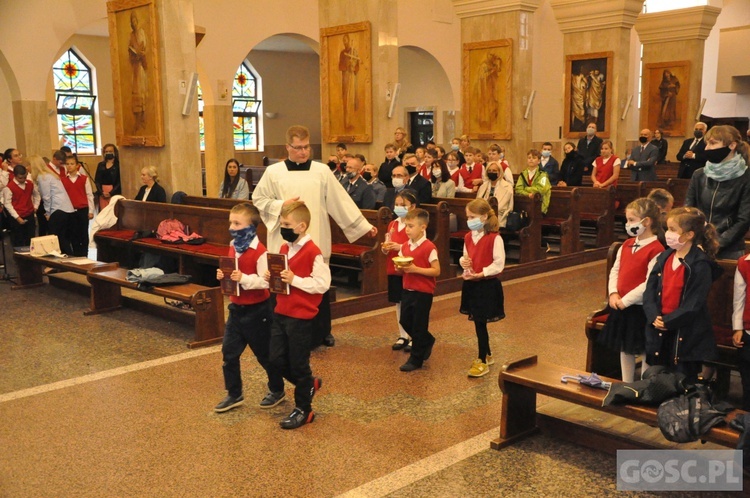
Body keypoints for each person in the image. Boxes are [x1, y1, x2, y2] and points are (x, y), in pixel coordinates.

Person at [252, 125, 377, 349]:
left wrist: (363, 226)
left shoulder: (322, 171)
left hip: (315, 238)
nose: (303, 152)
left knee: (318, 283)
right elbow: (259, 200)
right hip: (284, 241)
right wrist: (282, 205)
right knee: (284, 283)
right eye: (298, 148)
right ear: (287, 147)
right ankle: (281, 328)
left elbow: (340, 201)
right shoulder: (274, 172)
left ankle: (322, 332)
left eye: (306, 147)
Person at [213, 203, 284, 414]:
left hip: (257, 311)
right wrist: (223, 275)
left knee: (265, 355)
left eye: (237, 223)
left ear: (251, 226)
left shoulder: (260, 252)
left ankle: (277, 390)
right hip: (236, 308)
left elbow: (265, 281)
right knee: (229, 352)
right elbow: (232, 271)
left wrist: (243, 278)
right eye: (231, 223)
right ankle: (234, 393)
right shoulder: (233, 245)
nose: (232, 227)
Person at [263, 201, 328, 429]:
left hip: (301, 316)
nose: (283, 228)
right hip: (281, 311)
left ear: (301, 226)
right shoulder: (284, 248)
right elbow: (283, 277)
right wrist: (272, 279)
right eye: (281, 224)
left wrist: (296, 280)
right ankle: (309, 384)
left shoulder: (313, 252)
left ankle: (304, 410)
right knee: (275, 360)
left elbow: (322, 284)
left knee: (299, 364)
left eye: (286, 224)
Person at [643, 207, 721, 381]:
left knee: (681, 381)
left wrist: (668, 321)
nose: (667, 234)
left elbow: (694, 304)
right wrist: (653, 315)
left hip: (685, 332)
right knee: (658, 379)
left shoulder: (700, 265)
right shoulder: (665, 257)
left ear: (689, 235)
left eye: (672, 230)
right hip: (660, 326)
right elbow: (650, 290)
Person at [599, 198, 664, 383]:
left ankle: (644, 385)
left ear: (647, 222)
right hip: (621, 305)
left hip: (640, 308)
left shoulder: (656, 249)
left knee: (644, 348)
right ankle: (626, 383)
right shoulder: (626, 244)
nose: (628, 224)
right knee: (625, 347)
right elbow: (615, 270)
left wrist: (625, 300)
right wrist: (613, 293)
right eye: (627, 220)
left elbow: (649, 282)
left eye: (632, 220)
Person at [685, 124, 750, 260]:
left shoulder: (746, 177)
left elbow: (744, 220)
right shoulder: (699, 175)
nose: (707, 148)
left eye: (713, 143)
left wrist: (715, 244)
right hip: (698, 244)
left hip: (730, 248)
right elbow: (689, 210)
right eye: (707, 143)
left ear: (731, 146)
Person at [459, 199, 506, 377]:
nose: (469, 220)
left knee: (480, 322)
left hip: (487, 285)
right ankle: (487, 353)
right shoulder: (468, 237)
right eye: (468, 217)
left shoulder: (495, 238)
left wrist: (482, 273)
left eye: (473, 217)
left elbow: (499, 263)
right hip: (471, 283)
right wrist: (463, 262)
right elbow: (465, 256)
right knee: (478, 321)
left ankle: (482, 359)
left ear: (484, 217)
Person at [397, 208, 440, 372]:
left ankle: (416, 359)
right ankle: (427, 340)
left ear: (423, 227)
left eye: (411, 226)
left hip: (423, 292)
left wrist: (416, 269)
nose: (407, 229)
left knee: (418, 325)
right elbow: (402, 265)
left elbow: (436, 271)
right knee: (405, 320)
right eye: (406, 226)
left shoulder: (429, 247)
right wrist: (400, 267)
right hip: (408, 289)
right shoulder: (405, 246)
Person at [382, 190, 418, 352]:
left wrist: (400, 247)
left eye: (403, 205)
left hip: (410, 269)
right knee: (398, 303)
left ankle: (414, 336)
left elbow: (418, 246)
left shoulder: (415, 225)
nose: (399, 207)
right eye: (396, 205)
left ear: (412, 207)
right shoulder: (393, 224)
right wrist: (386, 247)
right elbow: (387, 245)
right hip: (394, 268)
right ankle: (403, 334)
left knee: (411, 303)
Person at [37, 150, 75, 255]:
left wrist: (48, 213)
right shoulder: (49, 174)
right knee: (61, 237)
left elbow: (46, 197)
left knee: (55, 237)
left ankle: (64, 260)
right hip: (64, 208)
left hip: (57, 209)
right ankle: (68, 259)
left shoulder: (43, 176)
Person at [60, 155, 94, 256]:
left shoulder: (84, 179)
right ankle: (76, 254)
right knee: (72, 233)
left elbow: (89, 194)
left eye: (72, 164)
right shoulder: (63, 180)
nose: (69, 166)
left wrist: (91, 211)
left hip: (82, 209)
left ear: (77, 165)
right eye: (67, 164)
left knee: (83, 233)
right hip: (69, 210)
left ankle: (84, 253)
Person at [1, 165, 39, 248]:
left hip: (29, 214)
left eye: (25, 177)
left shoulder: (30, 184)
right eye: (20, 178)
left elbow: (37, 195)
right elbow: (7, 204)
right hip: (17, 217)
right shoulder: (9, 187)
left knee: (31, 240)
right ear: (15, 176)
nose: (23, 180)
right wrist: (17, 217)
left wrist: (35, 206)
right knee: (18, 241)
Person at [476, 162, 514, 227]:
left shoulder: (507, 187)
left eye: (494, 170)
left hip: (500, 218)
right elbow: (477, 203)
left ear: (499, 172)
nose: (491, 172)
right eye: (489, 170)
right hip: (482, 218)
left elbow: (506, 207)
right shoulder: (483, 186)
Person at [128, 10, 148, 132]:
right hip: (135, 66)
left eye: (135, 21)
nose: (134, 23)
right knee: (135, 92)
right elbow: (129, 49)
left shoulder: (141, 32)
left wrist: (141, 53)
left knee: (142, 91)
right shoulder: (131, 35)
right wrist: (133, 54)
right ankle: (137, 120)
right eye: (132, 21)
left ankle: (142, 119)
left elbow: (143, 47)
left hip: (141, 66)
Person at [515, 149, 551, 214]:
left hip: (540, 205)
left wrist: (526, 189)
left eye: (534, 158)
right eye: (529, 158)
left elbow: (541, 189)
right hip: (524, 205)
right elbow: (518, 189)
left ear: (539, 161)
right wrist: (528, 194)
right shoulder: (523, 174)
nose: (531, 159)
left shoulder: (543, 175)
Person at [94, 143, 121, 210]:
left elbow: (120, 181)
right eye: (106, 151)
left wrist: (111, 193)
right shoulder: (101, 165)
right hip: (102, 193)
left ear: (115, 152)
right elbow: (97, 180)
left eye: (110, 151)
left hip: (114, 192)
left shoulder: (118, 165)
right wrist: (101, 192)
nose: (108, 153)